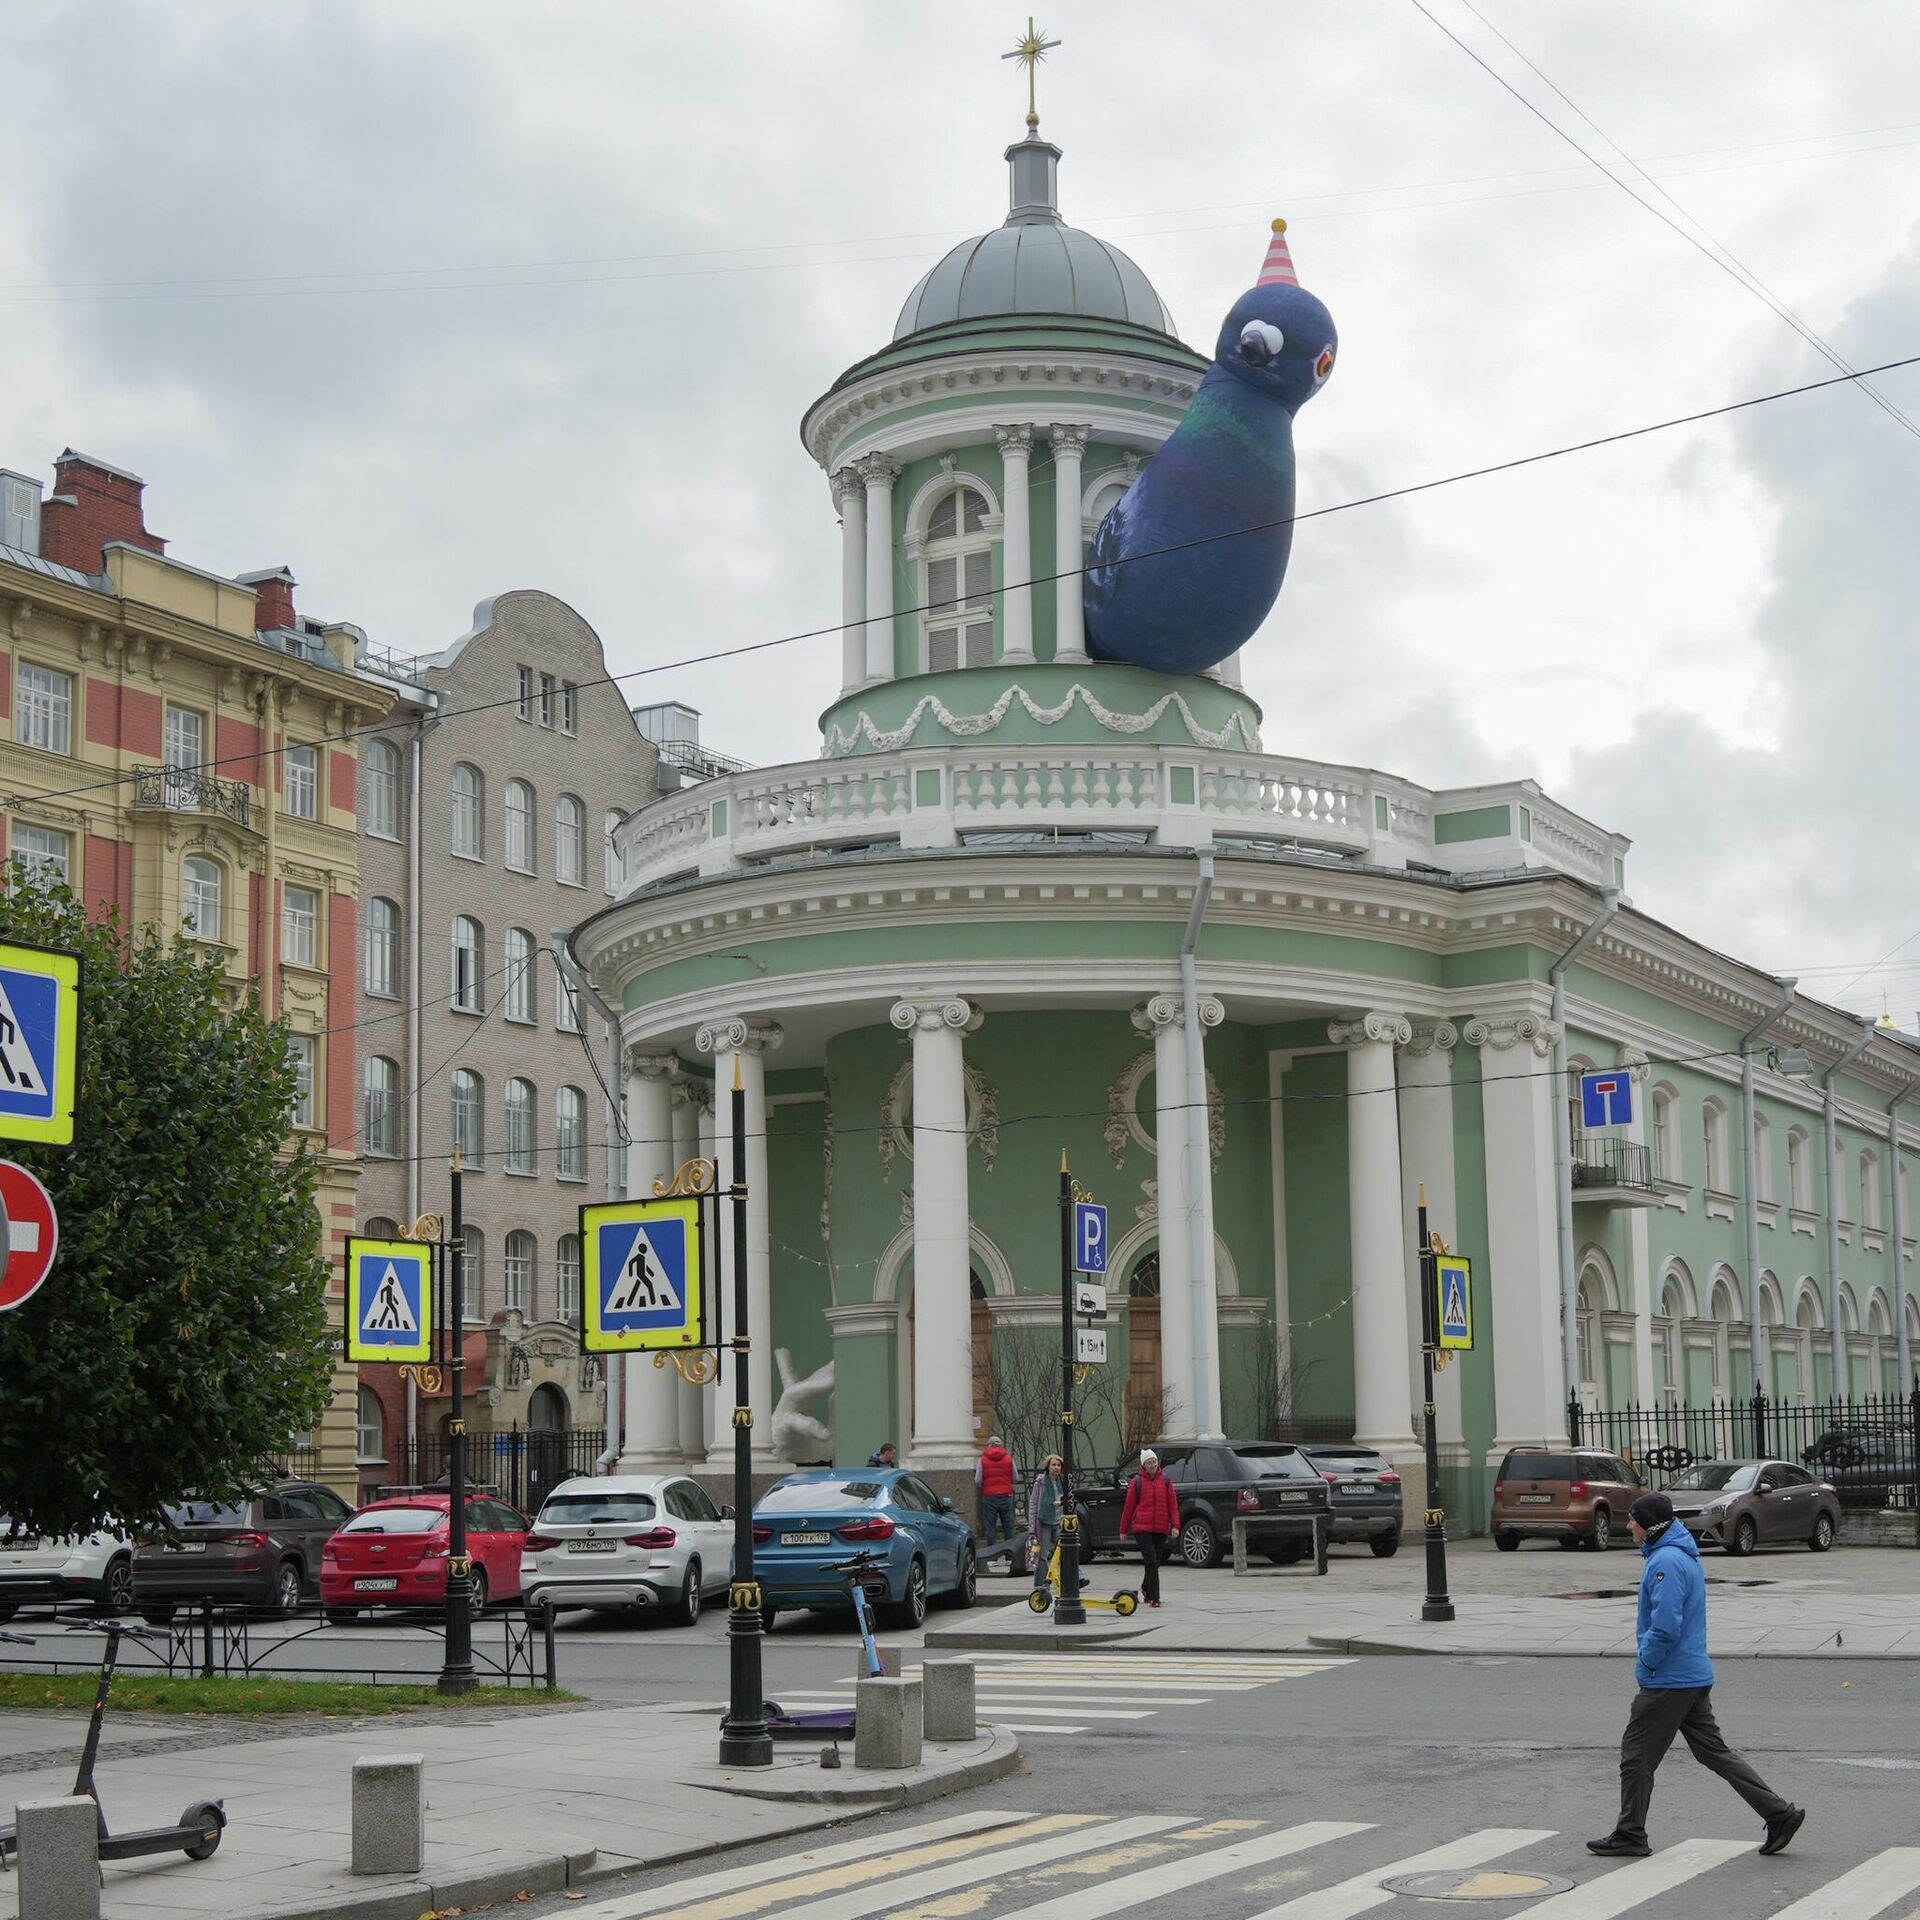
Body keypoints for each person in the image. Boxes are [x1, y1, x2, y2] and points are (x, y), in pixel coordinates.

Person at [1588, 1491, 1804, 1859]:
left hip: (1669, 1679)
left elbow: (1666, 1625)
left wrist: (1648, 1661)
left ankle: (1630, 1834)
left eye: (1633, 1520)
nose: (1628, 1525)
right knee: (1714, 1753)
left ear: (1650, 1525)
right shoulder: (1675, 1555)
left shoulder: (1667, 1562)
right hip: (1690, 1674)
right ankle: (1779, 1813)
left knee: (1636, 1757)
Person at [1119, 1448, 1180, 1608]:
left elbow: (1172, 1505)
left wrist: (1175, 1525)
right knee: (1151, 1560)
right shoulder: (1136, 1482)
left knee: (1155, 1562)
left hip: (1160, 1527)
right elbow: (1129, 1507)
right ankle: (1154, 1597)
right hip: (1142, 1527)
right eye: (1149, 1462)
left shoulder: (1166, 1480)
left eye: (1154, 1461)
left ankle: (1146, 1588)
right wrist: (1123, 1529)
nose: (1152, 1464)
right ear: (1144, 1466)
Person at [1027, 1453, 1068, 1592]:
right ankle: (1041, 1584)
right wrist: (1032, 1527)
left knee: (1066, 1549)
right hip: (1044, 1521)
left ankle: (1072, 1579)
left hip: (1058, 1521)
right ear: (1048, 1466)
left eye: (1059, 1465)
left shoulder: (1062, 1482)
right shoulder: (1042, 1481)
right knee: (1043, 1554)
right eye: (1053, 1465)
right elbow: (1033, 1503)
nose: (1056, 1468)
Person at [975, 1435, 1019, 1565]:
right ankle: (1010, 1557)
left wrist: (987, 1485)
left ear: (989, 1445)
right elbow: (1015, 1478)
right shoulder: (1009, 1458)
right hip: (1006, 1496)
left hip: (990, 1496)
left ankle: (992, 1558)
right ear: (1001, 1445)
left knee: (990, 1527)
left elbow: (978, 1479)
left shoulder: (982, 1459)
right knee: (1008, 1527)